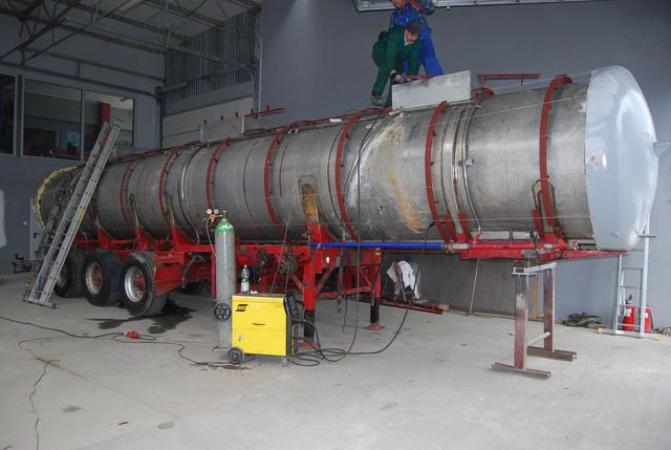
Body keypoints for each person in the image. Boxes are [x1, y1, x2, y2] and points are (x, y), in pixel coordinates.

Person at [370, 20, 421, 107]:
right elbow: (390, 54)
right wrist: (393, 72)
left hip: (397, 58)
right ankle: (376, 94)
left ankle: (390, 104)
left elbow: (414, 61)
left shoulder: (416, 42)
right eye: (412, 35)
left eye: (416, 36)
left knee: (398, 76)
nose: (414, 39)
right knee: (387, 66)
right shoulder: (395, 35)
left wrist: (409, 77)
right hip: (382, 52)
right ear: (407, 31)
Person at [389, 0, 444, 76]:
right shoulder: (394, 15)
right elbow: (392, 35)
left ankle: (437, 78)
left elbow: (430, 8)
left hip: (422, 39)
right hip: (406, 46)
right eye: (391, 0)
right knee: (405, 64)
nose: (393, 2)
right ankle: (407, 80)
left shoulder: (414, 5)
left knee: (428, 58)